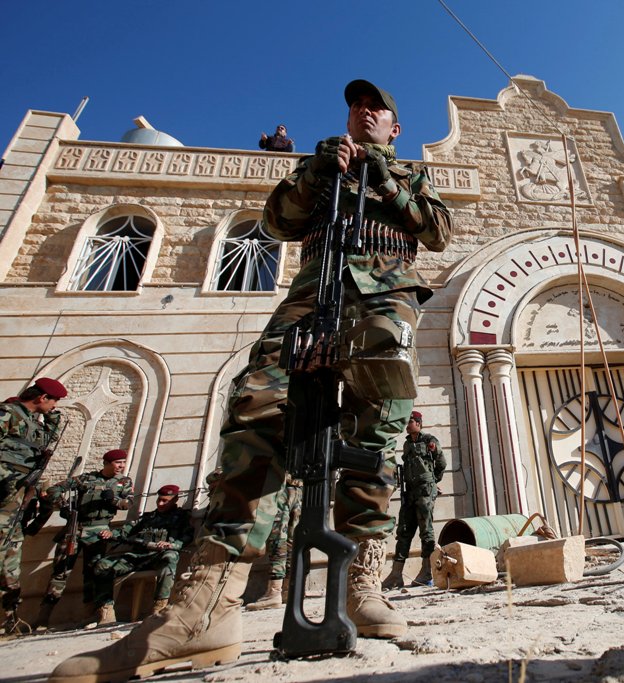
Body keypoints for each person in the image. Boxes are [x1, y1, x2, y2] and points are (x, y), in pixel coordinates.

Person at [50, 79, 453, 681]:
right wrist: (320, 171)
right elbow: (277, 222)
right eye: (355, 106)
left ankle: (360, 584)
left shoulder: (411, 176)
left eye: (377, 109)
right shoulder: (320, 165)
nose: (363, 113)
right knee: (256, 409)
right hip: (309, 300)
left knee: (379, 428)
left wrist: (382, 175)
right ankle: (208, 603)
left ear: (394, 127)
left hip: (384, 301)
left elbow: (436, 231)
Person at [33, 449, 134, 630]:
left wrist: (114, 500)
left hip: (99, 531)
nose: (121, 466)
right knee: (60, 573)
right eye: (118, 462)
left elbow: (128, 503)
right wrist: (64, 507)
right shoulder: (85, 479)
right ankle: (42, 619)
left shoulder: (123, 482)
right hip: (75, 528)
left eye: (123, 463)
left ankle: (91, 613)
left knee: (93, 572)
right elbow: (54, 489)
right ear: (107, 463)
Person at [0, 378, 66, 632]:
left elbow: (41, 451)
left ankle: (10, 618)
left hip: (16, 504)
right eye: (54, 400)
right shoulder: (9, 414)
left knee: (11, 560)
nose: (55, 406)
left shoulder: (34, 425)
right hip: (4, 495)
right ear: (41, 397)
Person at [91, 484, 194, 621]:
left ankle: (159, 608)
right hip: (138, 557)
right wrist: (110, 534)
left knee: (170, 556)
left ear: (175, 500)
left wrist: (171, 545)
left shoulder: (181, 518)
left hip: (158, 557)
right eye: (159, 500)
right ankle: (106, 612)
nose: (161, 503)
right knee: (102, 565)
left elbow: (187, 536)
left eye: (165, 501)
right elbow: (125, 531)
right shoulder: (148, 518)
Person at [383, 410, 446, 589]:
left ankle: (427, 572)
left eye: (410, 421)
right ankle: (396, 574)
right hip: (410, 492)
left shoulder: (429, 441)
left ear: (418, 423)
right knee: (404, 530)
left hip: (425, 491)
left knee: (426, 530)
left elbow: (441, 463)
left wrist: (433, 481)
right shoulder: (407, 444)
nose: (407, 424)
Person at [245, 475, 301, 610]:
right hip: (300, 489)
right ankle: (289, 591)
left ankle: (274, 592)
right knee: (294, 541)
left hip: (280, 489)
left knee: (278, 539)